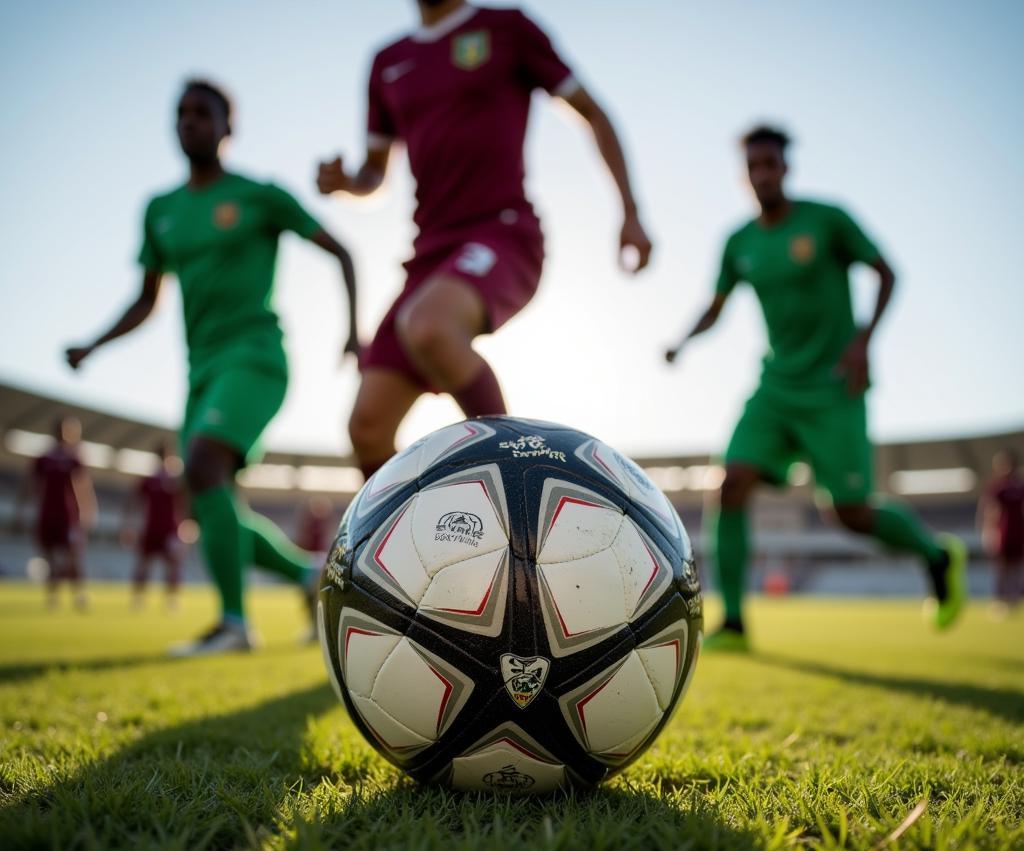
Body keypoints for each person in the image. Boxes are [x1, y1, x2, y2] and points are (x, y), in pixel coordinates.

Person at [66, 79, 359, 656]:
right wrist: (94, 345)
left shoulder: (260, 196)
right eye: (181, 113)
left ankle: (233, 625)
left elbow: (341, 249)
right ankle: (307, 576)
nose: (189, 122)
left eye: (203, 113)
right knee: (210, 499)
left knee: (203, 465)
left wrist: (354, 331)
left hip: (255, 358)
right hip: (200, 373)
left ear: (229, 126)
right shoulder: (161, 211)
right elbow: (146, 299)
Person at [318, 0, 653, 479]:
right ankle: (420, 545)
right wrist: (347, 182)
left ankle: (520, 487)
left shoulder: (507, 28)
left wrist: (631, 212)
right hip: (428, 254)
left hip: (503, 232)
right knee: (366, 426)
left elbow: (592, 112)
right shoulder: (387, 61)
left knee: (430, 326)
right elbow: (375, 171)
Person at [666, 125, 966, 650]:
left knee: (850, 512)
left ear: (786, 168)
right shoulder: (739, 243)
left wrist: (863, 342)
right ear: (744, 176)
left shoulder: (827, 221)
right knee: (730, 482)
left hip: (833, 388)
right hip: (776, 387)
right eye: (753, 167)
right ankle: (734, 621)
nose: (762, 174)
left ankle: (937, 556)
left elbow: (886, 273)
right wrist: (682, 341)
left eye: (770, 164)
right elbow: (714, 307)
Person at [15, 417, 95, 609]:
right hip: (47, 514)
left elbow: (83, 487)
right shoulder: (44, 459)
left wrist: (86, 511)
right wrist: (21, 509)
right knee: (49, 557)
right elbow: (30, 484)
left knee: (73, 556)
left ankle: (78, 594)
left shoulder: (74, 458)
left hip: (69, 517)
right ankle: (53, 596)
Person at [123, 441, 184, 609]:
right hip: (151, 528)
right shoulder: (149, 480)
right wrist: (129, 525)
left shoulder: (176, 481)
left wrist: (186, 527)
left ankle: (171, 600)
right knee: (144, 563)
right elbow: (134, 502)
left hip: (171, 529)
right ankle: (138, 598)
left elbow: (185, 505)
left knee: (172, 564)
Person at [978, 450, 1024, 614]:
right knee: (1001, 569)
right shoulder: (997, 487)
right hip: (1003, 534)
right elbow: (990, 510)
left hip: (1019, 534)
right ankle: (999, 601)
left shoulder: (1020, 486)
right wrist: (988, 532)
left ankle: (1015, 601)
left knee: (1017, 569)